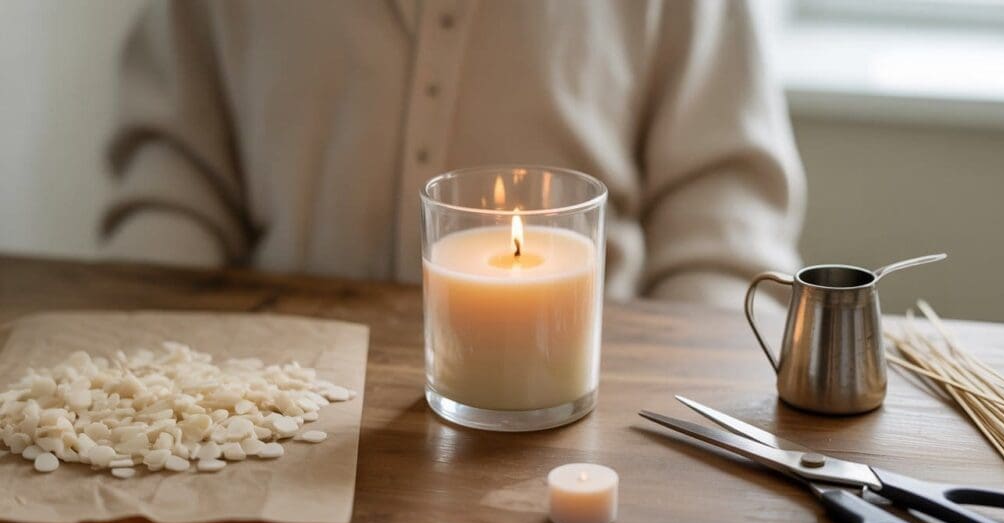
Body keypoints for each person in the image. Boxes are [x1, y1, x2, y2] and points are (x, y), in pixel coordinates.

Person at [101, 0, 804, 308]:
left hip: (587, 402)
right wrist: (136, 345)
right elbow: (178, 173)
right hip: (278, 392)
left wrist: (689, 419)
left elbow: (721, 213)